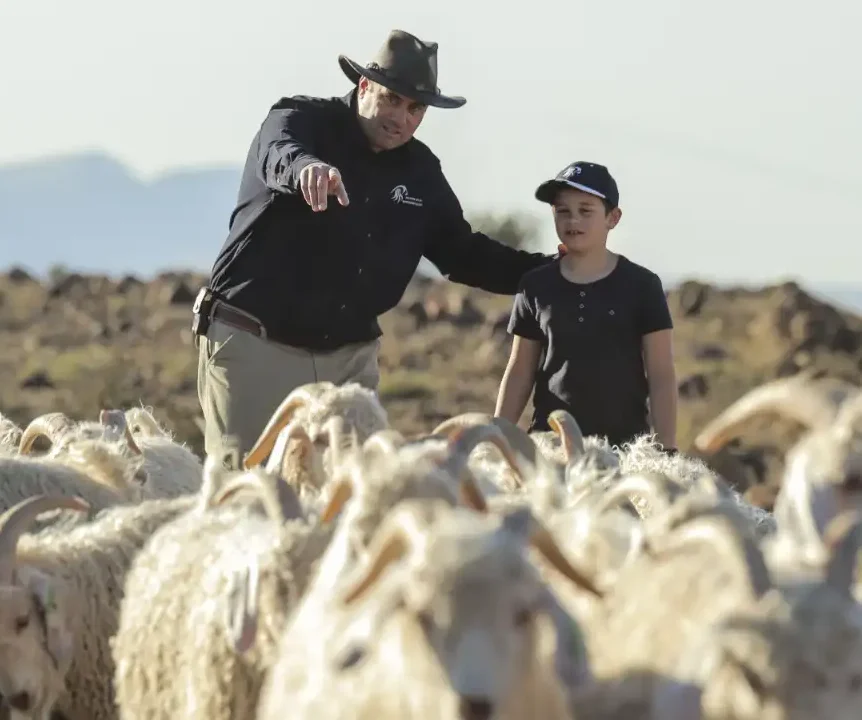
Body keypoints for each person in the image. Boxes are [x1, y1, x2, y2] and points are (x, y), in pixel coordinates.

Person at [192, 29, 557, 459]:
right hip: (257, 345)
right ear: (364, 86)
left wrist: (553, 273)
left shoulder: (421, 172)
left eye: (415, 108)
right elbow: (279, 153)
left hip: (349, 362)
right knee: (249, 498)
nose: (401, 117)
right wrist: (306, 169)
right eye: (391, 99)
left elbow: (464, 253)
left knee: (357, 498)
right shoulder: (300, 119)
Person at [493, 161, 679, 451]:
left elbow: (661, 374)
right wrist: (498, 437)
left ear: (613, 218)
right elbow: (520, 370)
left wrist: (667, 448)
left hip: (625, 452)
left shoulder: (643, 285)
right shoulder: (535, 285)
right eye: (562, 211)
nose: (573, 221)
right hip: (551, 448)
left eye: (585, 211)